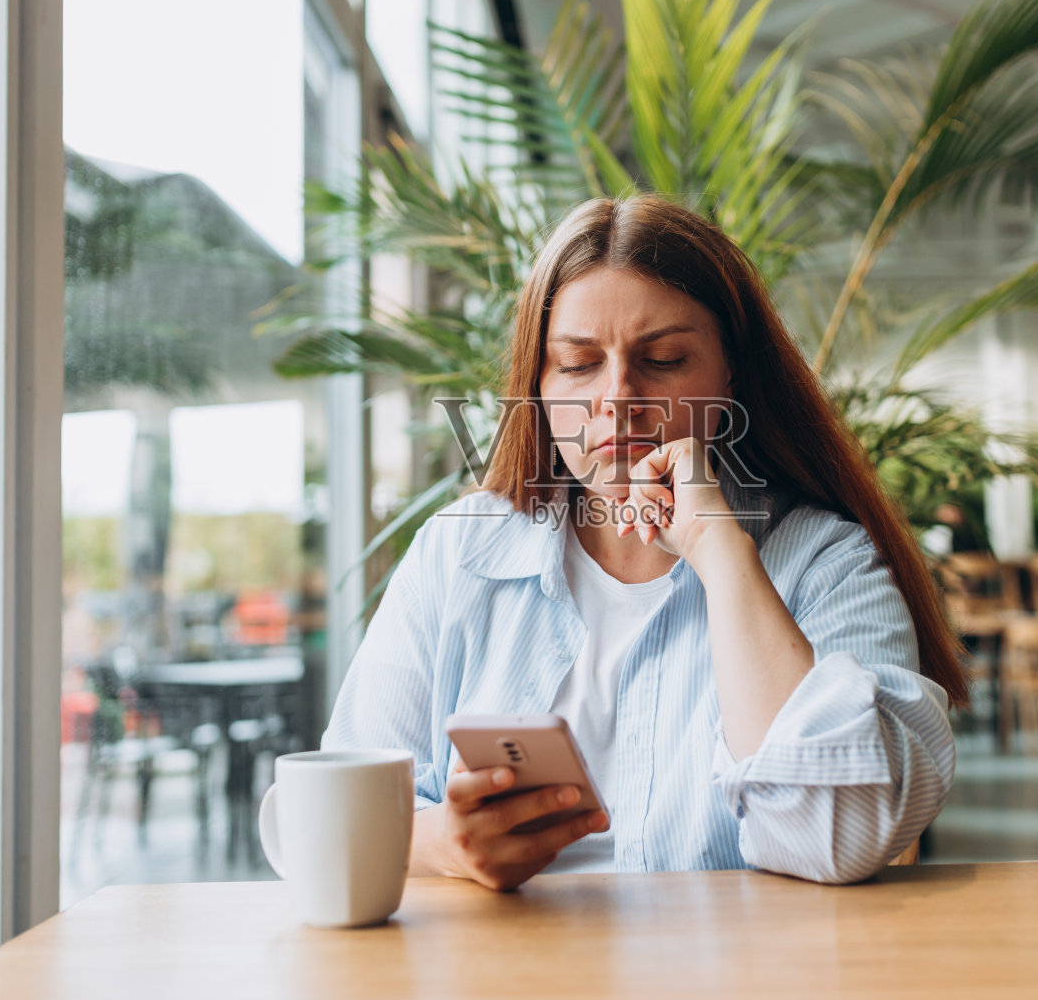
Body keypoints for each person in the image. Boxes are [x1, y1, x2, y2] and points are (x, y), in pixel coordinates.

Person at [323, 195, 966, 891]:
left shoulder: (826, 563)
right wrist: (443, 845)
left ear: (730, 378)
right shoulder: (457, 557)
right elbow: (328, 812)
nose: (617, 398)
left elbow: (840, 834)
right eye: (576, 365)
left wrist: (721, 552)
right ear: (537, 387)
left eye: (662, 359)